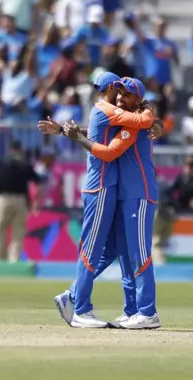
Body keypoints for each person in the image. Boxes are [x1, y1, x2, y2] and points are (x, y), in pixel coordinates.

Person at [38, 72, 157, 328]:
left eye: (127, 93)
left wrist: (65, 131)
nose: (122, 96)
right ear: (112, 89)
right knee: (97, 249)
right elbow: (111, 147)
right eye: (120, 91)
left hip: (129, 193)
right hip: (104, 188)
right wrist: (72, 135)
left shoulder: (120, 117)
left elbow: (138, 122)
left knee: (120, 251)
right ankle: (80, 307)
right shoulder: (111, 111)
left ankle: (134, 309)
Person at [0, 141, 43, 263]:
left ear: (10, 150)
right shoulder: (25, 165)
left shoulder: (3, 161)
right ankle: (14, 261)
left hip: (2, 199)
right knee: (18, 234)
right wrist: (35, 201)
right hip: (21, 201)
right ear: (20, 150)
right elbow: (39, 183)